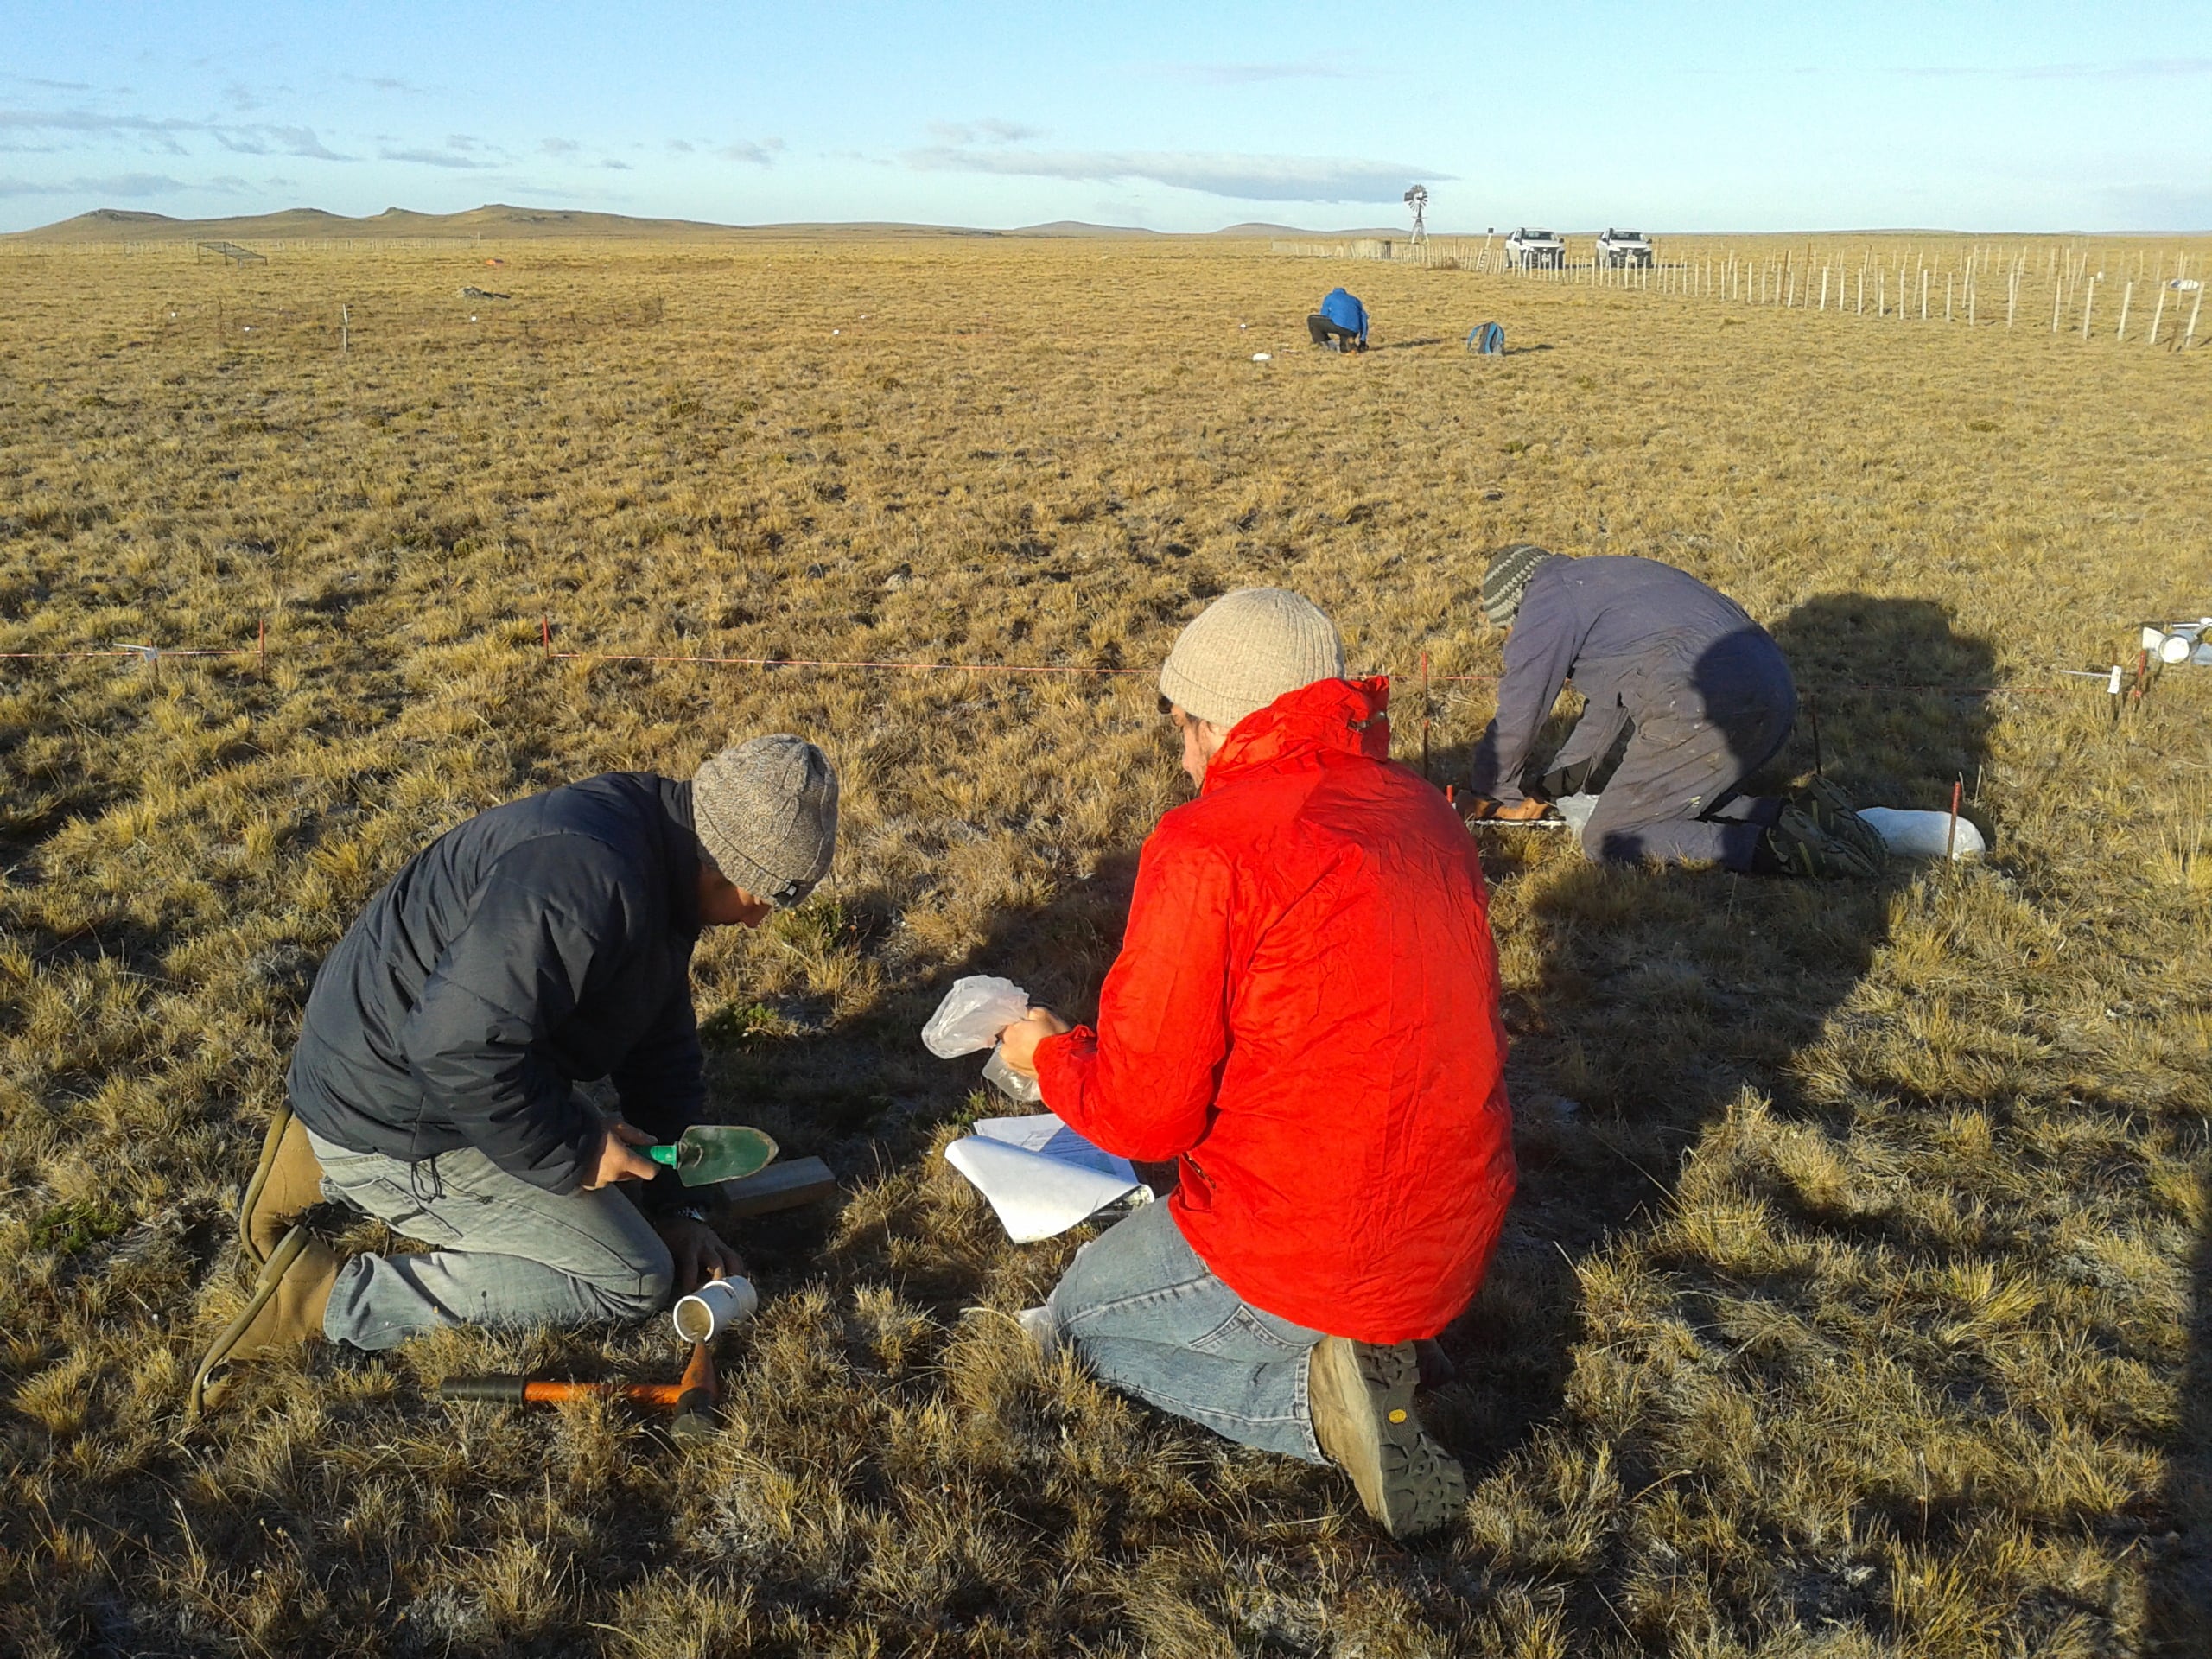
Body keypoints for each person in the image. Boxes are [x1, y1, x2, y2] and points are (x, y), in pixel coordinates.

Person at [995, 588, 1516, 1538]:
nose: (1186, 758)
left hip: (1304, 1235)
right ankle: (1385, 1345)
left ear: (1227, 720)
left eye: (1189, 727)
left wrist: (1047, 1054)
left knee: (1074, 1324)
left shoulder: (1210, 849)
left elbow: (1145, 1117)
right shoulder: (1424, 812)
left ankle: (1315, 1406)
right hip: (1452, 1233)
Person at [190, 737, 839, 1414]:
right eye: (766, 898)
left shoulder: (658, 839)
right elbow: (456, 1051)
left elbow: (658, 1041)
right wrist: (578, 1148)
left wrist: (674, 1203)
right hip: (406, 1112)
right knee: (632, 1277)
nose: (762, 917)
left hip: (376, 1074)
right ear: (730, 867)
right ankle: (327, 1299)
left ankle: (315, 1147)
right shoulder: (588, 882)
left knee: (637, 1222)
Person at [1462, 544, 1882, 876]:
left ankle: (1779, 850)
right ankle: (1802, 816)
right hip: (1773, 693)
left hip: (1708, 705)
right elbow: (1603, 716)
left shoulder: (1546, 602)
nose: (1513, 636)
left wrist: (1490, 792)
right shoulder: (1601, 581)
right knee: (1676, 801)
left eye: (1509, 627)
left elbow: (1520, 709)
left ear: (1517, 602)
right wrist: (1546, 792)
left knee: (1611, 836)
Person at [1306, 286, 1370, 352]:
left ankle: (1325, 345)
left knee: (1312, 320)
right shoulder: (1355, 300)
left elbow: (1324, 315)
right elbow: (1364, 320)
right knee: (1344, 349)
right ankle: (1349, 345)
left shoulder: (1330, 297)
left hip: (1339, 325)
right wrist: (1363, 341)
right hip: (1353, 330)